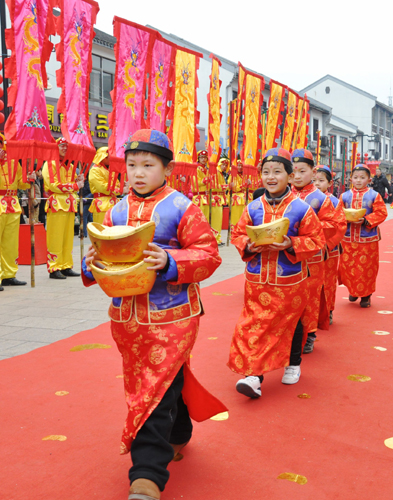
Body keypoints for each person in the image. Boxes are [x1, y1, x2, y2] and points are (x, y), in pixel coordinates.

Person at [82, 129, 226, 500]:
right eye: (132, 166)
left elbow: (209, 255)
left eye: (148, 165)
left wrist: (170, 259)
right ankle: (179, 433)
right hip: (127, 318)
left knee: (154, 391)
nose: (139, 173)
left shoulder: (182, 208)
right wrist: (92, 263)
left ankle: (146, 475)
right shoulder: (115, 210)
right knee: (154, 384)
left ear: (166, 169)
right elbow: (102, 256)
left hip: (172, 316)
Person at [228, 148, 325, 397]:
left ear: (290, 177)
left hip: (290, 280)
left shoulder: (301, 209)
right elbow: (238, 234)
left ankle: (293, 363)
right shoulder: (252, 208)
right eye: (266, 172)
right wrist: (248, 244)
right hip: (257, 279)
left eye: (277, 172)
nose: (270, 177)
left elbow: (317, 241)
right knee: (253, 326)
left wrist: (290, 244)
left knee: (289, 325)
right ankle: (253, 376)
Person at [291, 149, 344, 354]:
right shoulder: (284, 194)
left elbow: (335, 224)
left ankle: (309, 334)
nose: (296, 176)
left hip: (312, 256)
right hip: (287, 256)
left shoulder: (321, 198)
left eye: (302, 171)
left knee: (310, 296)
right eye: (293, 171)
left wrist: (306, 229)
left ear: (312, 172)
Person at [338, 164, 388, 308]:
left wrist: (366, 220)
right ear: (350, 179)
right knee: (348, 266)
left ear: (369, 179)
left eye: (362, 177)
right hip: (348, 239)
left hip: (367, 240)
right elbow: (337, 213)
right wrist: (344, 218)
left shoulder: (374, 195)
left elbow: (381, 213)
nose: (358, 180)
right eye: (355, 177)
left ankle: (366, 296)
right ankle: (353, 290)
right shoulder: (344, 196)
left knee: (367, 269)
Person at [42, 138, 84, 279]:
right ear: (55, 147)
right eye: (62, 146)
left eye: (67, 146)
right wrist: (74, 186)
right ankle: (54, 267)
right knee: (55, 237)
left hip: (70, 204)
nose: (65, 148)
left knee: (68, 237)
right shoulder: (49, 164)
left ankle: (66, 265)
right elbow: (53, 185)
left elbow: (74, 184)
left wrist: (79, 181)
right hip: (56, 203)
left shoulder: (70, 167)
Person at [0, 136, 35, 290]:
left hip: (12, 203)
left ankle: (9, 274)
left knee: (11, 242)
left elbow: (21, 182)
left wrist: (30, 179)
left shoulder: (14, 161)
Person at [314, 165, 347, 323]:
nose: (317, 184)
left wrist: (328, 244)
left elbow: (340, 226)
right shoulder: (303, 199)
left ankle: (329, 309)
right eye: (314, 181)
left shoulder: (334, 201)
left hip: (329, 250)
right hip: (309, 250)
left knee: (327, 281)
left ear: (329, 183)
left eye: (321, 181)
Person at [88, 147, 124, 224]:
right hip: (102, 204)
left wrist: (122, 185)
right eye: (109, 156)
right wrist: (120, 190)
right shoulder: (95, 170)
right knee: (102, 229)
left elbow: (116, 183)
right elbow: (103, 187)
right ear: (103, 157)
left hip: (114, 204)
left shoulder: (111, 170)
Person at [210, 158, 228, 246]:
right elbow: (212, 186)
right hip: (215, 198)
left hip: (219, 198)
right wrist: (225, 187)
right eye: (223, 164)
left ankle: (217, 238)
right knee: (215, 219)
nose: (224, 167)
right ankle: (214, 238)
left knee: (218, 219)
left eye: (226, 165)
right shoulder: (216, 172)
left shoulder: (221, 173)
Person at [227, 159, 246, 228]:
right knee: (235, 216)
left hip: (241, 198)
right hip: (236, 198)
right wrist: (244, 185)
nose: (240, 167)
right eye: (238, 166)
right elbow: (235, 188)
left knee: (241, 216)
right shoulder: (233, 175)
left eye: (241, 166)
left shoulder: (242, 175)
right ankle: (234, 232)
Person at [192, 150, 210, 221]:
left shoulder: (207, 169)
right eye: (201, 157)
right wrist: (204, 181)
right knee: (199, 217)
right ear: (198, 159)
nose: (203, 159)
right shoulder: (195, 168)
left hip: (206, 197)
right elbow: (194, 182)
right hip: (198, 196)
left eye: (205, 157)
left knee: (206, 218)